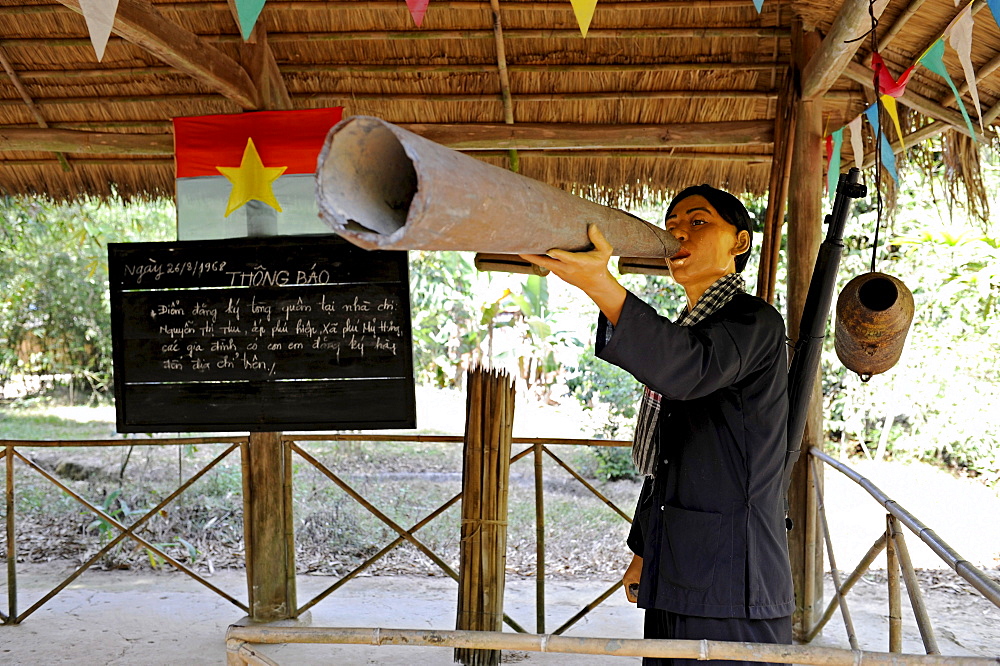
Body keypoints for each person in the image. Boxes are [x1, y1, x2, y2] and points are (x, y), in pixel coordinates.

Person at [521, 185, 794, 664]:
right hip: (677, 566)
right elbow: (667, 461)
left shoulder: (755, 322)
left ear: (740, 242)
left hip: (733, 575)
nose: (679, 233)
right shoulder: (687, 329)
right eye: (671, 226)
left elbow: (687, 369)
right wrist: (644, 550)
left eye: (698, 221)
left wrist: (598, 284)